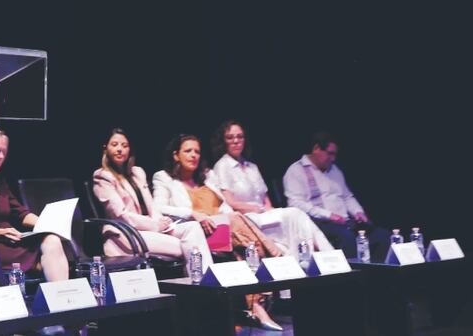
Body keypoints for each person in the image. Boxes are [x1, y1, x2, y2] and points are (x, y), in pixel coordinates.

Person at [153, 134, 283, 331]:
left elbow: (224, 206)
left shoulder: (206, 177)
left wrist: (224, 219)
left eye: (197, 151)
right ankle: (278, 258)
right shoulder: (164, 177)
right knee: (239, 225)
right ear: (176, 155)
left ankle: (255, 306)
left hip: (224, 229)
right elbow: (159, 207)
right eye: (188, 151)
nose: (193, 155)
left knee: (242, 249)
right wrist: (193, 214)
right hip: (197, 231)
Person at [91, 128, 213, 271]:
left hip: (151, 228)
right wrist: (154, 225)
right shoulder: (102, 176)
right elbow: (121, 215)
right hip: (126, 234)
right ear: (106, 149)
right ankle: (200, 283)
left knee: (193, 227)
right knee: (187, 246)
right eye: (115, 144)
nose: (120, 149)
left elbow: (151, 205)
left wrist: (161, 221)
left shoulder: (137, 172)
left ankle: (205, 281)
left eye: (124, 146)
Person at [210, 120, 333, 255]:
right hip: (246, 218)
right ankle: (321, 255)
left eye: (240, 136)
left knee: (295, 215)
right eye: (230, 137)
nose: (236, 141)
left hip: (263, 213)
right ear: (224, 141)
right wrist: (256, 208)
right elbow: (229, 202)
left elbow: (265, 199)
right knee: (294, 214)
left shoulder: (252, 167)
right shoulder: (222, 165)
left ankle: (321, 255)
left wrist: (270, 210)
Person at [283, 132, 391, 261]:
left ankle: (378, 273)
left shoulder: (334, 170)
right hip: (320, 224)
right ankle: (353, 277)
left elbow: (347, 196)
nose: (333, 158)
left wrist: (358, 212)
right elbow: (296, 204)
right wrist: (329, 215)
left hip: (345, 222)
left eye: (335, 154)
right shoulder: (296, 171)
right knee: (347, 237)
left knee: (382, 235)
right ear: (316, 148)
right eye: (330, 153)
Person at [0, 130, 69, 282]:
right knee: (43, 259)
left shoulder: (0, 182)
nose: (0, 157)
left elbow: (20, 213)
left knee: (52, 239)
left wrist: (46, 223)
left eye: (4, 152)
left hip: (11, 240)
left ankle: (60, 298)